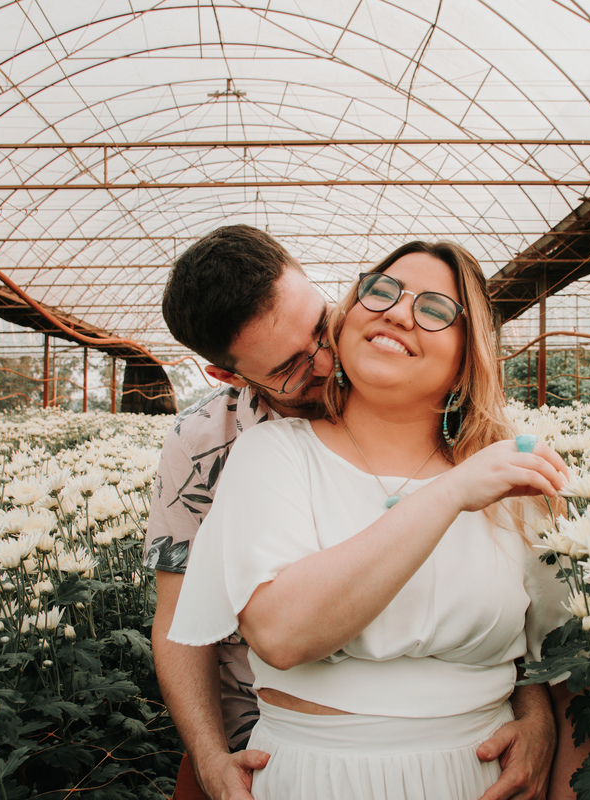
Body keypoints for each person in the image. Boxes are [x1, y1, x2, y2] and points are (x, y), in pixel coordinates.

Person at [146, 227, 560, 800]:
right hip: (264, 733)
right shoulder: (207, 444)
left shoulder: (500, 470)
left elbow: (540, 637)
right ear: (229, 375)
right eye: (291, 366)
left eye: (321, 324)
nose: (324, 358)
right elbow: (180, 620)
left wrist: (537, 715)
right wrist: (210, 755)